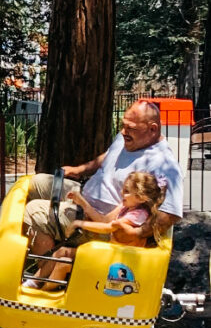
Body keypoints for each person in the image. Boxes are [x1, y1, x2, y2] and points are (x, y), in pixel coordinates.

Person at [24, 100, 183, 261]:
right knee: (37, 182)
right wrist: (80, 170)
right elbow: (108, 157)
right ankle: (40, 249)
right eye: (123, 125)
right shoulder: (127, 139)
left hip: (102, 224)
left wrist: (136, 233)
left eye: (131, 128)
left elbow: (169, 215)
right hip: (85, 197)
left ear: (153, 129)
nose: (123, 131)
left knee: (34, 212)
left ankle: (45, 277)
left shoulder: (164, 165)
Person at [26, 171, 166, 290]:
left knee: (63, 259)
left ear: (141, 198)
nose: (122, 193)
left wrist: (79, 223)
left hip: (118, 260)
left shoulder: (138, 215)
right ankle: (36, 284)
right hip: (109, 251)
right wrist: (83, 203)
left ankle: (42, 290)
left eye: (127, 191)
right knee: (62, 256)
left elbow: (107, 228)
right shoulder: (125, 206)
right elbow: (104, 220)